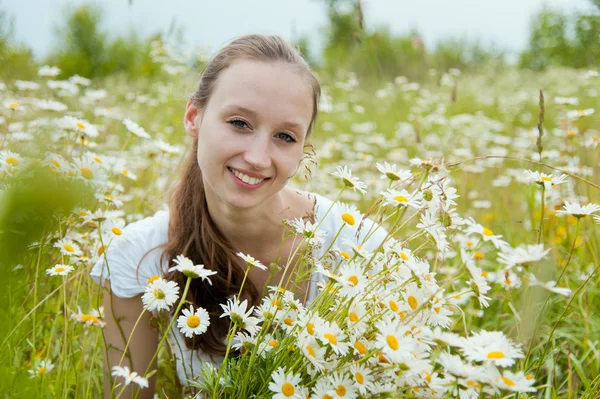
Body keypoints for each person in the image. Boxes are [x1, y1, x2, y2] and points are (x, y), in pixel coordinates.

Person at [90, 34, 387, 398]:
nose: (259, 158)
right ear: (193, 118)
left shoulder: (360, 248)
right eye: (239, 123)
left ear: (303, 150)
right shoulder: (137, 258)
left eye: (284, 136)